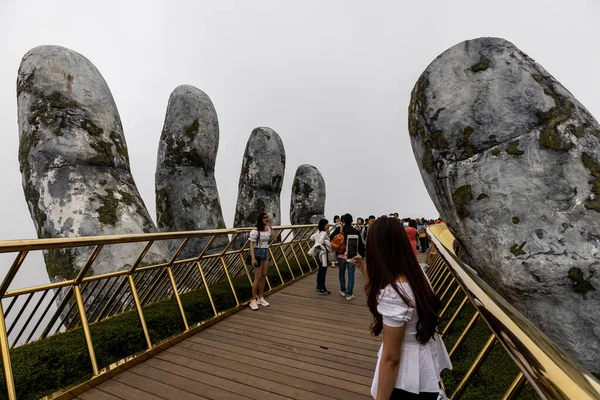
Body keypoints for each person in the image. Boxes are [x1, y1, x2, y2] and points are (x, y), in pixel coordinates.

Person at [353, 216, 451, 399]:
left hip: (405, 379)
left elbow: (391, 359)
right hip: (424, 367)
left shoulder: (396, 294)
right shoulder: (417, 274)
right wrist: (363, 267)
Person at [330, 213, 365, 301]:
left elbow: (331, 237)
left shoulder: (339, 229)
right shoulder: (355, 231)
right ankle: (349, 294)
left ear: (343, 221)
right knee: (351, 274)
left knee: (341, 272)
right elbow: (360, 245)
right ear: (352, 221)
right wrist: (361, 256)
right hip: (351, 256)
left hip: (340, 255)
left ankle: (343, 290)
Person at [248, 212, 277, 311]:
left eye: (267, 218)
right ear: (260, 219)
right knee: (257, 277)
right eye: (265, 218)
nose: (266, 219)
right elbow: (251, 244)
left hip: (265, 252)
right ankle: (253, 299)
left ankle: (261, 297)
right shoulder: (255, 230)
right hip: (257, 252)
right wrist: (252, 258)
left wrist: (271, 226)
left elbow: (274, 238)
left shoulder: (268, 229)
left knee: (264, 275)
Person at [308, 219, 333, 295]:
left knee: (320, 270)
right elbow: (321, 241)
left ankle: (318, 286)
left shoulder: (317, 233)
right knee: (323, 271)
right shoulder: (324, 233)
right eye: (327, 224)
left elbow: (311, 238)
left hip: (318, 254)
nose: (328, 225)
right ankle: (322, 288)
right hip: (323, 255)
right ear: (324, 225)